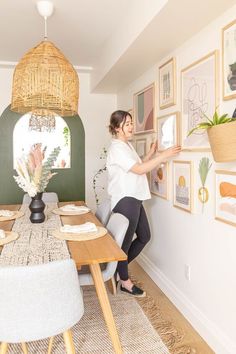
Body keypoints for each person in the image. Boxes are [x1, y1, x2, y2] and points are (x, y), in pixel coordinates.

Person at [106, 110, 181, 297]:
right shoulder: (117, 148)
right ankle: (125, 281)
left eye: (132, 123)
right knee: (123, 245)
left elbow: (136, 165)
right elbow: (139, 170)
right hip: (125, 200)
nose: (132, 127)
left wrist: (151, 154)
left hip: (134, 198)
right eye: (127, 124)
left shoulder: (126, 146)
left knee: (144, 236)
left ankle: (116, 269)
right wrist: (164, 156)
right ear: (117, 128)